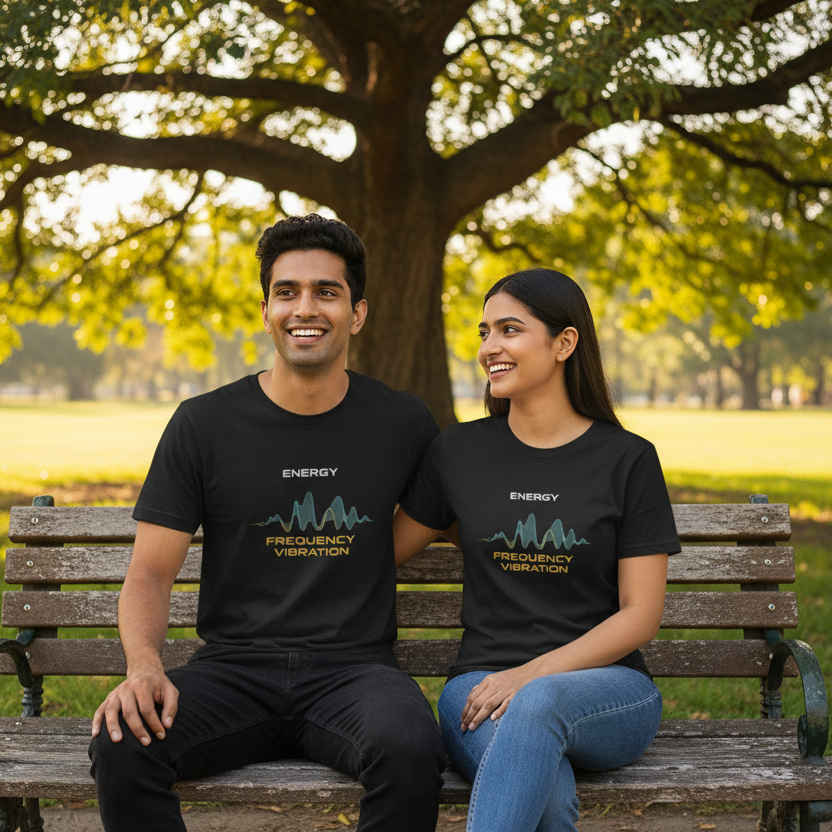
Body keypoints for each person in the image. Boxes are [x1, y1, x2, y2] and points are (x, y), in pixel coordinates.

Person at [89, 214, 445, 832]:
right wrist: (144, 667)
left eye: (326, 292)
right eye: (288, 291)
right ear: (266, 310)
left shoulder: (404, 422)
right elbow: (148, 572)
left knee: (412, 751)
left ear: (357, 313)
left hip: (356, 672)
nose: (305, 308)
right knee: (123, 745)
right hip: (231, 671)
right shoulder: (202, 424)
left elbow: (459, 516)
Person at [393, 268, 681, 832]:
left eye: (509, 330)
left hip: (610, 692)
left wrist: (528, 676)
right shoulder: (458, 451)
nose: (489, 348)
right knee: (546, 793)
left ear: (564, 343)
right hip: (475, 692)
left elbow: (641, 615)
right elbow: (382, 550)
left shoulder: (628, 460)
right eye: (484, 332)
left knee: (538, 705)